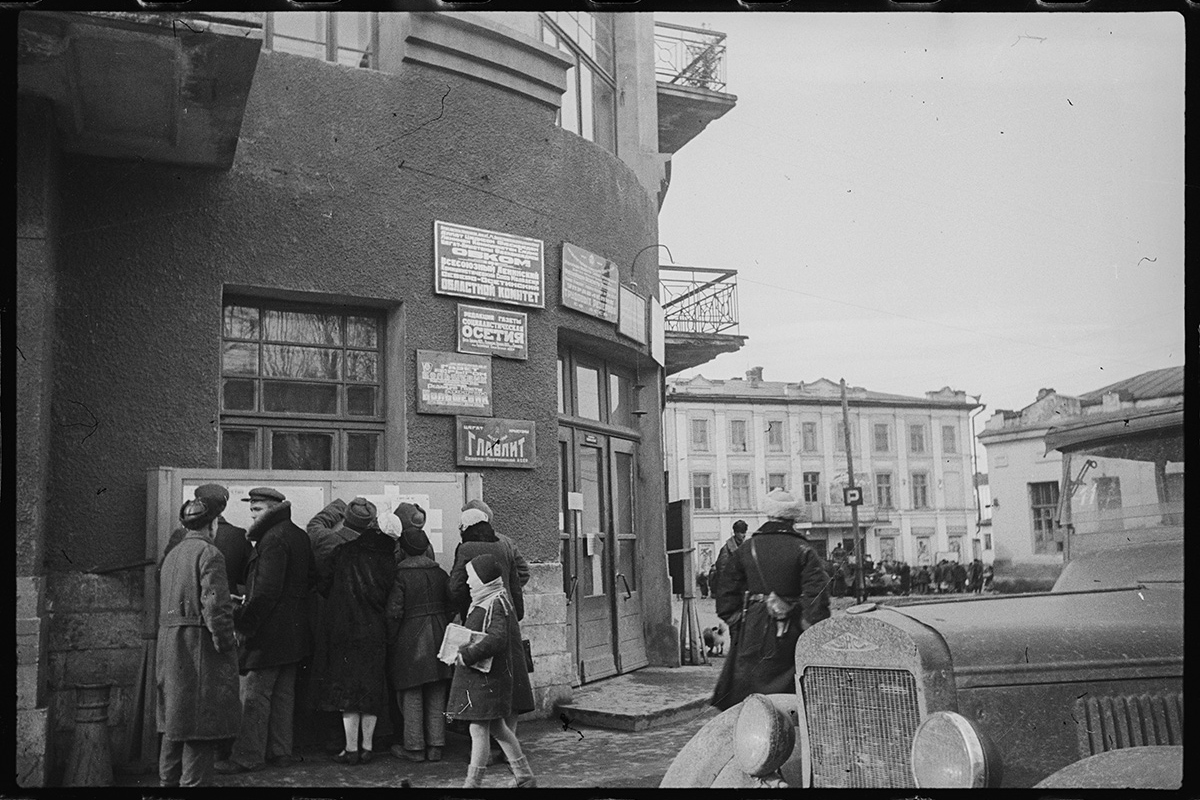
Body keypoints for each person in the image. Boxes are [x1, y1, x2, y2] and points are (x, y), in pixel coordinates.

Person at [216, 488, 314, 775]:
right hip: (294, 630)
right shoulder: (297, 534)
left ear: (272, 509)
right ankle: (281, 752)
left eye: (257, 510)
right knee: (284, 694)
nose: (252, 515)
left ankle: (247, 757)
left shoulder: (272, 540)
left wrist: (245, 622)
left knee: (255, 697)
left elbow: (267, 591)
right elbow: (310, 580)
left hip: (269, 633)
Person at [711, 490, 830, 712]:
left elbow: (725, 591)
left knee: (750, 688)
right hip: (793, 629)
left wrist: (738, 624)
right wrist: (807, 628)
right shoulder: (805, 550)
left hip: (753, 625)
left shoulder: (748, 548)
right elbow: (817, 598)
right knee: (790, 692)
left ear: (769, 515)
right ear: (793, 518)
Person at [156, 496, 241, 787]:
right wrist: (226, 643)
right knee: (199, 727)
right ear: (213, 524)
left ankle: (167, 784)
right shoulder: (209, 553)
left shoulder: (173, 554)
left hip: (170, 646)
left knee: (173, 724)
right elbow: (215, 606)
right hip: (197, 648)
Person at [447, 505, 535, 765]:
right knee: (512, 681)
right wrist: (515, 614)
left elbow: (454, 588)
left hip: (479, 619)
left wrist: (465, 609)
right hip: (506, 617)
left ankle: (484, 752)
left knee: (482, 685)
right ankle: (509, 750)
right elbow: (519, 579)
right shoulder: (505, 545)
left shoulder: (465, 549)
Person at [311, 498, 396, 765]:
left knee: (347, 691)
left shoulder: (343, 552)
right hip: (375, 631)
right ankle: (368, 747)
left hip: (344, 629)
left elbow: (324, 584)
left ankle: (350, 749)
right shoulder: (388, 558)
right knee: (370, 689)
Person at [386, 525, 452, 763]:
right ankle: (436, 746)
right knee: (436, 690)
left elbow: (394, 612)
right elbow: (451, 602)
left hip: (410, 636)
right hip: (439, 632)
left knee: (410, 691)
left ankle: (414, 747)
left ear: (402, 550)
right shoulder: (440, 573)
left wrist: (391, 639)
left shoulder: (400, 575)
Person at [162, 483, 253, 596]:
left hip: (186, 604)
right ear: (223, 506)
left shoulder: (180, 535)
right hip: (225, 603)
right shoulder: (239, 535)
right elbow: (248, 576)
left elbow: (162, 574)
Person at [710, 520, 749, 604]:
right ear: (735, 533)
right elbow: (721, 570)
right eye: (741, 532)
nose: (744, 535)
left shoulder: (744, 547)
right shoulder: (726, 549)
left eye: (745, 532)